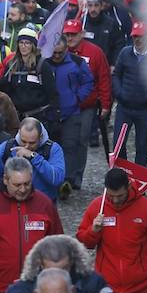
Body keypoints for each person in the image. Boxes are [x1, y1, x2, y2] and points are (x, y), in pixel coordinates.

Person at [0, 158, 63, 293]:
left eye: (27, 184)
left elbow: (58, 244)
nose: (23, 189)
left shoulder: (44, 204)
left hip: (36, 289)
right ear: (5, 179)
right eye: (17, 185)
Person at [76, 168, 147, 293]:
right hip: (106, 287)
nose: (116, 200)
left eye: (120, 196)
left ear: (129, 185)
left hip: (139, 289)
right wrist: (93, 231)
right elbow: (85, 242)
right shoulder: (97, 207)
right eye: (111, 196)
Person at [42, 36, 94, 199]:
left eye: (59, 53)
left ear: (66, 50)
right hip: (50, 114)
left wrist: (78, 97)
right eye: (54, 53)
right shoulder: (44, 63)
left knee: (71, 146)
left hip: (71, 112)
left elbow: (88, 81)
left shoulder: (77, 63)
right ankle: (52, 179)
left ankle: (67, 181)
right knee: (51, 147)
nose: (56, 56)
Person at [112, 21, 147, 167]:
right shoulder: (125, 53)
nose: (137, 40)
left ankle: (138, 181)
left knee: (142, 146)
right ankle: (122, 173)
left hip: (146, 109)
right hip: (125, 107)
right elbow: (116, 75)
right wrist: (119, 93)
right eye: (135, 36)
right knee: (118, 143)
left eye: (140, 36)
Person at [65, 18, 112, 163]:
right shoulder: (60, 51)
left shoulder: (95, 52)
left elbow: (104, 78)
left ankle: (76, 179)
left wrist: (105, 104)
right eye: (67, 35)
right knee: (65, 141)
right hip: (64, 105)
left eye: (74, 34)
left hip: (86, 106)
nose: (70, 38)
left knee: (81, 140)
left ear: (82, 34)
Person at [0, 28, 60, 138]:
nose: (24, 46)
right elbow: (5, 89)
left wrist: (54, 118)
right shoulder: (12, 64)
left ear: (33, 45)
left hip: (38, 116)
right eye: (21, 43)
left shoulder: (42, 65)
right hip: (16, 118)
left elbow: (52, 93)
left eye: (27, 43)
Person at [0, 117, 66, 202]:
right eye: (23, 141)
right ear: (19, 133)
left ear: (40, 137)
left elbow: (56, 179)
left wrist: (34, 157)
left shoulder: (53, 149)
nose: (27, 146)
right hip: (12, 204)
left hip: (42, 205)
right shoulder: (6, 149)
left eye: (32, 143)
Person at [81, 0, 125, 66]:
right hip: (86, 64)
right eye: (90, 5)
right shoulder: (82, 23)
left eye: (96, 5)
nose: (93, 9)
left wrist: (114, 64)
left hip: (105, 63)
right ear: (87, 6)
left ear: (101, 6)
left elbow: (118, 45)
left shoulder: (111, 23)